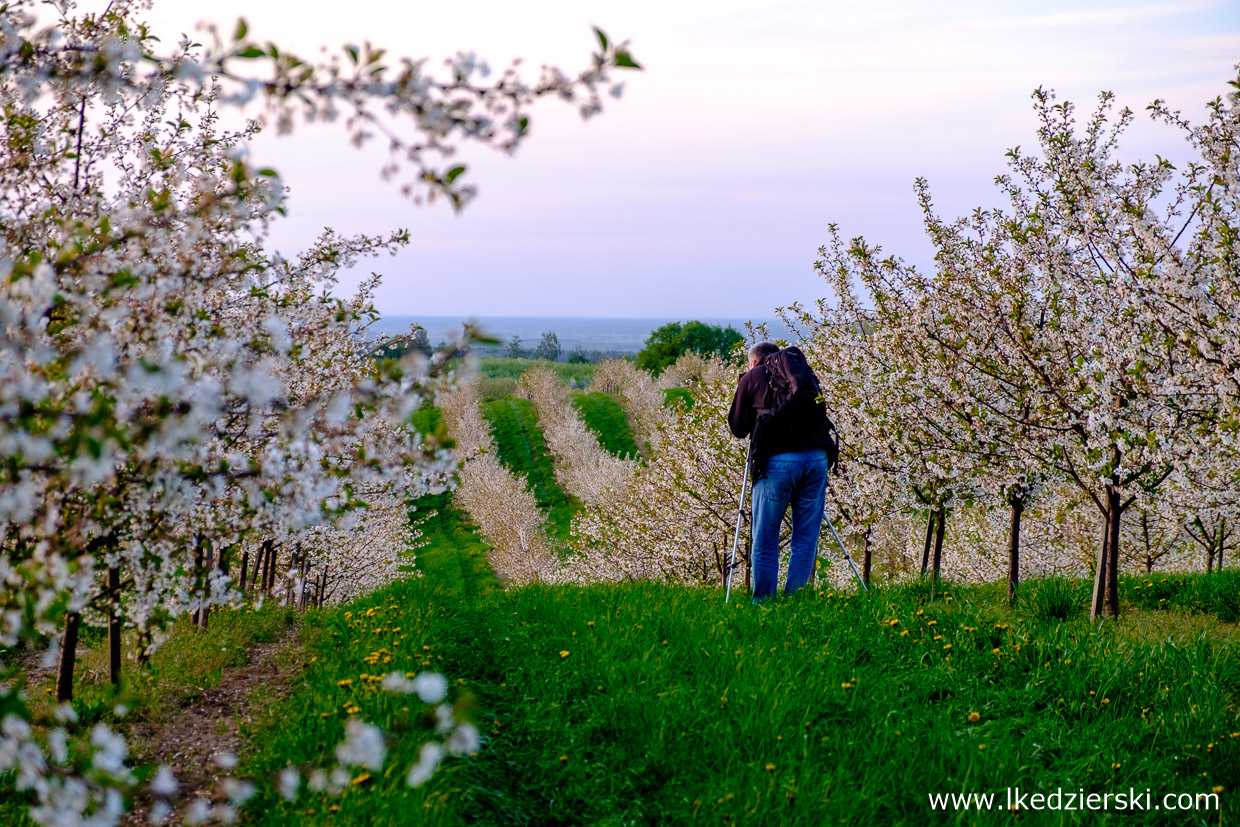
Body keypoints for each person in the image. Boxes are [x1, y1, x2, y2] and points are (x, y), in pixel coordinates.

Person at [727, 341, 832, 601]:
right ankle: (796, 600)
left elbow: (738, 428)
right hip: (817, 457)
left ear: (753, 362)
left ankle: (764, 602)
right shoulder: (803, 375)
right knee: (806, 537)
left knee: (765, 537)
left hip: (778, 461)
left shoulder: (753, 376)